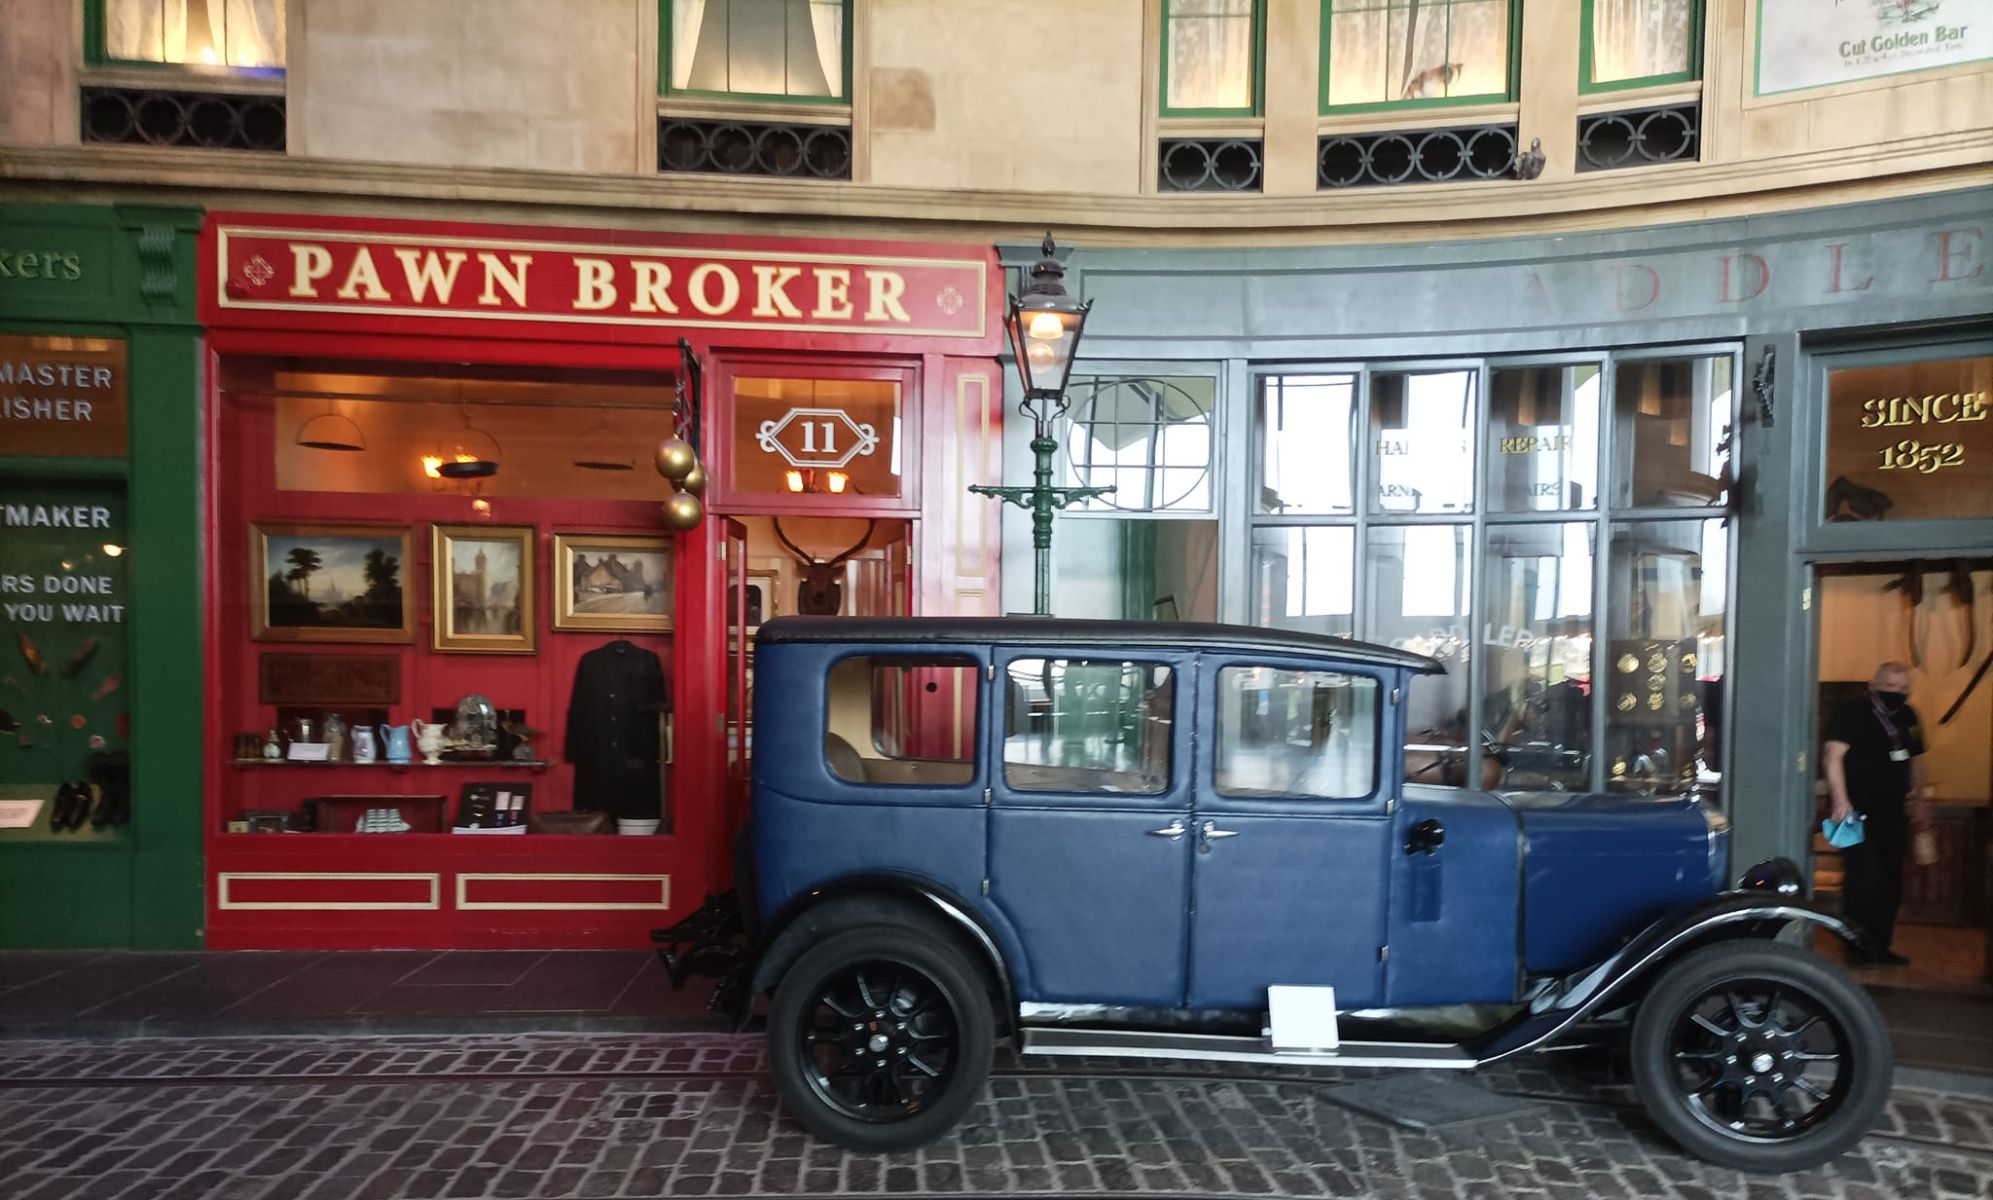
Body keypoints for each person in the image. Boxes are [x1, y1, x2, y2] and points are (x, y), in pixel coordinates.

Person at [1822, 662, 1933, 967]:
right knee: (1861, 880)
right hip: (1856, 811)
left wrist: (1920, 799)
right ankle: (1856, 948)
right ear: (1874, 685)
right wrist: (1840, 801)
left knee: (1891, 881)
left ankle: (1881, 946)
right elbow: (1833, 755)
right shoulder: (1853, 713)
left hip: (1894, 813)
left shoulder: (1908, 716)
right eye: (1890, 687)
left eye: (1903, 689)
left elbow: (1917, 758)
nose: (1896, 694)